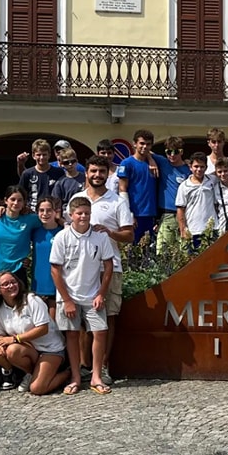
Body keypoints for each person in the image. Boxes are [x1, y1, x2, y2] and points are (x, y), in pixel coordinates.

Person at [50, 195, 115, 395]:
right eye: (79, 213)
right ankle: (76, 377)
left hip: (93, 294)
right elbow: (55, 269)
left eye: (87, 213)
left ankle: (96, 376)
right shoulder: (62, 237)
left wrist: (101, 293)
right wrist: (67, 300)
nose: (83, 217)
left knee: (100, 332)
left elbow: (108, 265)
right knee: (71, 334)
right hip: (68, 296)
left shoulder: (100, 236)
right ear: (71, 215)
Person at [82, 155, 134, 370]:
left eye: (101, 171)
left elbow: (129, 235)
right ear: (86, 173)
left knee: (109, 316)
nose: (97, 175)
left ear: (107, 174)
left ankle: (103, 366)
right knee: (84, 318)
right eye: (93, 171)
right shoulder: (78, 198)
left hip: (110, 267)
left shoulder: (118, 201)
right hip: (82, 269)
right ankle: (84, 366)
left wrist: (110, 232)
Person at [0, 269, 67, 396]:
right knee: (7, 352)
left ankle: (69, 372)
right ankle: (31, 373)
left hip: (50, 349)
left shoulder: (32, 300)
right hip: (29, 349)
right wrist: (0, 345)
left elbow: (43, 328)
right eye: (6, 284)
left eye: (13, 282)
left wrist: (15, 339)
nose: (11, 286)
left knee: (37, 389)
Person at [0, 185, 40, 275]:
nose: (16, 203)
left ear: (24, 202)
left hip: (18, 270)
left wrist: (64, 224)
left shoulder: (30, 220)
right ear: (6, 200)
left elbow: (49, 221)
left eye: (20, 200)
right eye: (12, 199)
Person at [116, 129, 158, 243]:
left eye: (148, 144)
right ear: (134, 144)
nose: (145, 147)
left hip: (151, 214)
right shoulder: (127, 163)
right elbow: (122, 189)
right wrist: (129, 214)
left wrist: (150, 158)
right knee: (132, 252)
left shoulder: (153, 164)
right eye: (142, 143)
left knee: (148, 253)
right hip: (135, 214)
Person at [153, 137, 191, 255]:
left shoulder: (188, 170)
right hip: (167, 214)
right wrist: (151, 161)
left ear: (182, 152)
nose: (172, 155)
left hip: (185, 214)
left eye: (176, 152)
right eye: (169, 152)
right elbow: (145, 151)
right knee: (162, 251)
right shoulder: (163, 163)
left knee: (184, 251)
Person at [176, 152, 220, 250]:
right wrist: (183, 230)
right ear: (190, 167)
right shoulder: (184, 186)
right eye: (196, 166)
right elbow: (180, 210)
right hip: (193, 230)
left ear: (206, 167)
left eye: (202, 166)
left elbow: (224, 173)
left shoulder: (212, 180)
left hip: (212, 229)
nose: (199, 169)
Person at [31, 197, 62, 313]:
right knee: (41, 323)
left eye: (49, 210)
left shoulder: (63, 231)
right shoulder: (34, 231)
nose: (45, 214)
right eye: (41, 210)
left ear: (55, 212)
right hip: (38, 282)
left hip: (57, 283)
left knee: (54, 326)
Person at [18, 139, 66, 211]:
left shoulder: (59, 172)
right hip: (32, 213)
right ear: (33, 155)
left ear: (49, 155)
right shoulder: (27, 174)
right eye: (38, 155)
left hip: (52, 213)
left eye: (44, 154)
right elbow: (21, 195)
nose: (41, 157)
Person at [53, 149, 86, 219]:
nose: (70, 164)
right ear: (61, 164)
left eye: (72, 161)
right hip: (68, 216)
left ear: (77, 161)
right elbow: (56, 205)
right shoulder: (60, 183)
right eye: (66, 162)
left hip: (85, 213)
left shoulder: (86, 178)